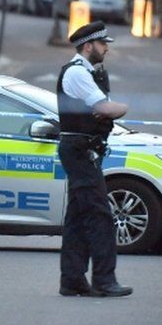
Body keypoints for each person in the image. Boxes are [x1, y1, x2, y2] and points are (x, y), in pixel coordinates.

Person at [56, 21, 132, 298]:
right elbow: (104, 108)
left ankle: (73, 280)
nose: (106, 49)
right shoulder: (77, 73)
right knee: (100, 217)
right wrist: (121, 108)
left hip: (83, 149)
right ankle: (104, 279)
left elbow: (101, 110)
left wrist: (106, 111)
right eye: (102, 44)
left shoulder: (86, 72)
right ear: (88, 46)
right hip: (80, 151)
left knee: (77, 218)